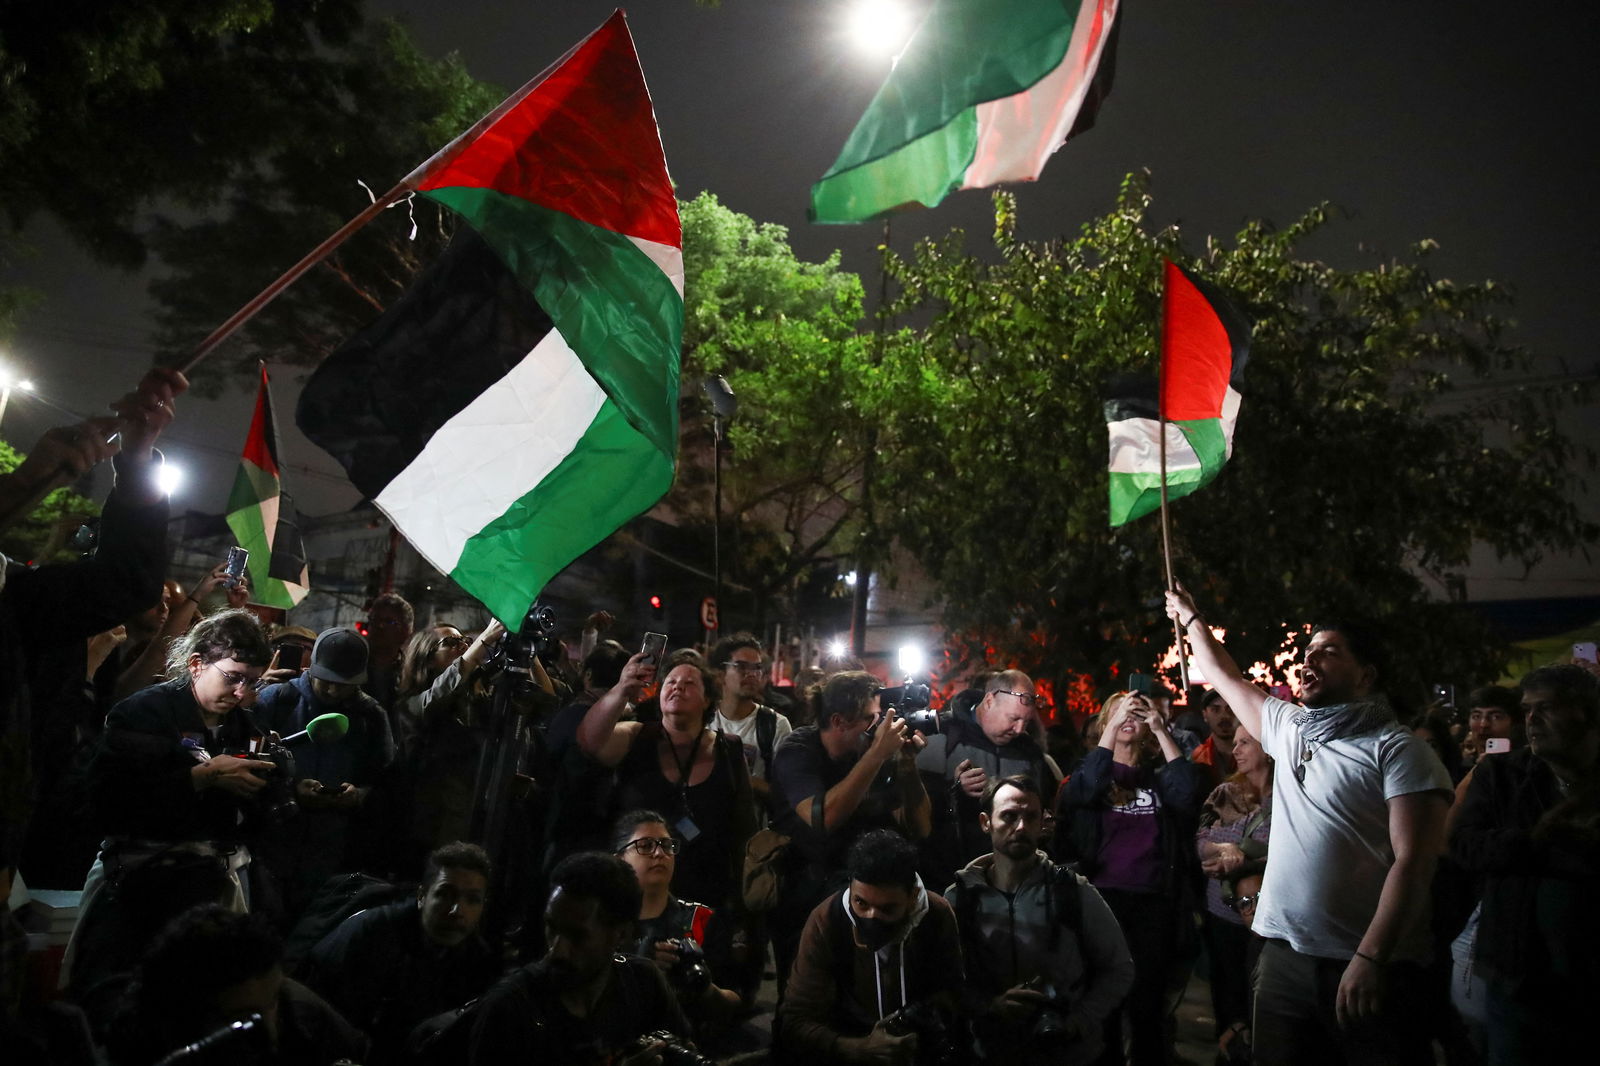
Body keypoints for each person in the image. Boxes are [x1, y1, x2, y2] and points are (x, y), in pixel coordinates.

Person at [1165, 585, 1453, 1066]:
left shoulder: (1398, 750)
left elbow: (1415, 862)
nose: (1309, 661)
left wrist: (1370, 957)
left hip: (1361, 964)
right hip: (1282, 957)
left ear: (1366, 675)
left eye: (1329, 652)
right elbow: (1224, 674)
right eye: (1308, 652)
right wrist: (1192, 618)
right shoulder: (1290, 727)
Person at [67, 608, 279, 1017]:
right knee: (120, 1003)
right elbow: (103, 800)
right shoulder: (142, 713)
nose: (241, 693)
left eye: (253, 682)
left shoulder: (246, 726)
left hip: (214, 886)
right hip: (137, 887)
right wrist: (200, 778)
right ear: (197, 664)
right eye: (233, 677)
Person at [1449, 664, 1597, 1064]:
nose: (1532, 720)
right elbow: (1461, 845)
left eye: (1546, 708)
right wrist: (1533, 841)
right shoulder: (1501, 776)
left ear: (1586, 712)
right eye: (1527, 709)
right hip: (1518, 980)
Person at [1054, 689, 1205, 1066]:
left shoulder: (1156, 779)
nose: (1129, 717)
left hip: (1152, 902)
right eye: (1120, 711)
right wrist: (1114, 723)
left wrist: (1161, 728)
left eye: (1138, 712)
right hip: (1101, 900)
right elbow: (1084, 789)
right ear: (1105, 723)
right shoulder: (1090, 773)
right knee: (1102, 1003)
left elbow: (1187, 795)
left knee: (1147, 1005)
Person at [945, 775, 1133, 1066]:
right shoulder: (961, 898)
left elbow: (1119, 968)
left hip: (1066, 1053)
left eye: (1030, 816)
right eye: (1008, 816)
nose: (1020, 827)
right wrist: (989, 1007)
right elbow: (945, 979)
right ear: (985, 822)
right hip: (989, 1050)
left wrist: (1077, 1021)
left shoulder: (1072, 890)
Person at [767, 670, 933, 997]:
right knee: (806, 996)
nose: (880, 729)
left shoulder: (874, 753)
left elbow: (920, 827)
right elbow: (822, 817)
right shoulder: (798, 750)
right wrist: (877, 754)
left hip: (867, 894)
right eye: (871, 720)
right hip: (805, 894)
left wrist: (906, 766)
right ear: (839, 721)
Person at [468, 851, 692, 1065]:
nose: (557, 950)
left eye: (577, 936)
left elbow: (686, 1051)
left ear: (620, 935)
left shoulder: (643, 984)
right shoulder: (510, 1011)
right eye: (552, 928)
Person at [577, 649, 757, 915]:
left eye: (689, 684)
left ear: (708, 699)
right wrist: (623, 688)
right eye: (671, 682)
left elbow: (744, 825)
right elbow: (590, 742)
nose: (677, 688)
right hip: (637, 891)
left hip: (708, 891)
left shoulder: (728, 749)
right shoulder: (636, 735)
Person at [299, 841, 501, 1064]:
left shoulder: (477, 959)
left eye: (472, 899)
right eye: (445, 894)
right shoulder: (372, 934)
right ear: (422, 895)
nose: (457, 910)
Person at [779, 828, 964, 1065]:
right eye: (861, 903)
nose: (871, 917)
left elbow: (953, 992)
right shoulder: (827, 920)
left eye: (888, 909)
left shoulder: (936, 914)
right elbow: (796, 1020)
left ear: (912, 896)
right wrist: (856, 1048)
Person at [104, 904, 365, 1066]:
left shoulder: (298, 1010)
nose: (269, 1030)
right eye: (244, 1018)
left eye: (272, 1002)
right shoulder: (148, 1041)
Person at [253, 626, 395, 917]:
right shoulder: (276, 700)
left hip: (333, 852)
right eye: (326, 680)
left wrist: (360, 795)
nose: (333, 690)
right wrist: (290, 790)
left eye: (344, 684)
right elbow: (246, 764)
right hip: (270, 844)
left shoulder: (371, 717)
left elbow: (386, 780)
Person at [917, 670, 1061, 875]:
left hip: (1013, 876)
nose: (1019, 729)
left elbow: (1045, 804)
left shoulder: (1029, 752)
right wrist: (953, 789)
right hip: (948, 871)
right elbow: (912, 807)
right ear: (989, 701)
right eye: (1013, 718)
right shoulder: (941, 735)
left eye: (1026, 722)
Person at [611, 810, 743, 1028]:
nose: (659, 853)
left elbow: (736, 999)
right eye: (645, 846)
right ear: (619, 859)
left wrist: (704, 988)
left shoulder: (702, 919)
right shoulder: (606, 924)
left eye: (666, 845)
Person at [1194, 727, 1273, 1063]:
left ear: (1268, 748)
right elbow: (1200, 838)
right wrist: (1217, 851)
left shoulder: (1289, 795)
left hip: (1267, 916)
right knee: (1227, 997)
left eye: (1246, 742)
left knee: (1262, 1002)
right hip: (1222, 913)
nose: (1236, 749)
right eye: (1235, 742)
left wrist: (1244, 861)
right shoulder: (1225, 792)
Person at [710, 632, 794, 808]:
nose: (751, 674)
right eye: (741, 666)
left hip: (755, 830)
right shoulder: (703, 720)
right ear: (719, 675)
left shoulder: (775, 725)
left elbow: (789, 793)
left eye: (756, 668)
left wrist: (747, 781)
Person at [364, 592, 414, 726]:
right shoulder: (353, 664)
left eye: (389, 622)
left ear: (406, 630)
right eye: (375, 619)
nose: (380, 626)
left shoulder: (413, 673)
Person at [1458, 684, 1521, 771]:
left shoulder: (1526, 767)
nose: (1483, 724)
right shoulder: (1458, 765)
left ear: (1514, 723)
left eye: (1496, 717)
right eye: (1476, 716)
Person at [1190, 689, 1240, 787]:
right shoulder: (1198, 757)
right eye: (1216, 710)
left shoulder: (1256, 754)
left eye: (1230, 709)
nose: (1224, 716)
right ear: (1205, 715)